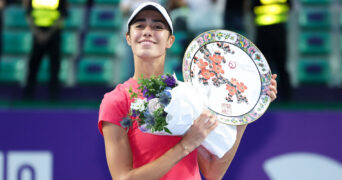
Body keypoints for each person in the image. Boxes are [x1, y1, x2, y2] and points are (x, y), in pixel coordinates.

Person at [98, 2, 278, 179]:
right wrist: (185, 146)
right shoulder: (116, 101)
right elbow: (123, 178)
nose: (147, 31)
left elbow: (214, 172)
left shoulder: (190, 95)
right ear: (128, 37)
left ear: (170, 40)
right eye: (140, 25)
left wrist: (245, 109)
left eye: (158, 26)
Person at [22, 0, 68, 100]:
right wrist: (38, 33)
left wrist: (48, 33)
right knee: (33, 65)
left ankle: (54, 95)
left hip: (54, 36)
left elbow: (62, 15)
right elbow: (28, 15)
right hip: (38, 36)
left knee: (54, 66)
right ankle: (28, 94)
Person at [252, 0, 292, 101]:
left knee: (280, 65)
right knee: (262, 66)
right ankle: (262, 97)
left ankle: (287, 98)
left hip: (274, 31)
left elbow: (252, 8)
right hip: (266, 32)